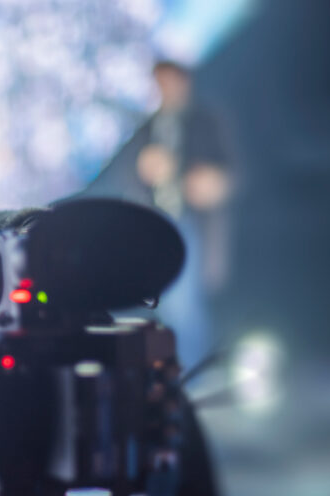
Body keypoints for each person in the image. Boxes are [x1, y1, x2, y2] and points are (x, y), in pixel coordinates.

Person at [90, 59, 233, 367]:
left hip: (189, 222)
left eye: (171, 82)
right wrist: (142, 169)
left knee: (185, 308)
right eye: (160, 83)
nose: (166, 90)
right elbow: (119, 173)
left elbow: (232, 172)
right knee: (160, 307)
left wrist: (213, 181)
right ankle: (168, 375)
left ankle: (191, 375)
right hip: (153, 227)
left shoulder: (206, 121)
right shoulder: (147, 128)